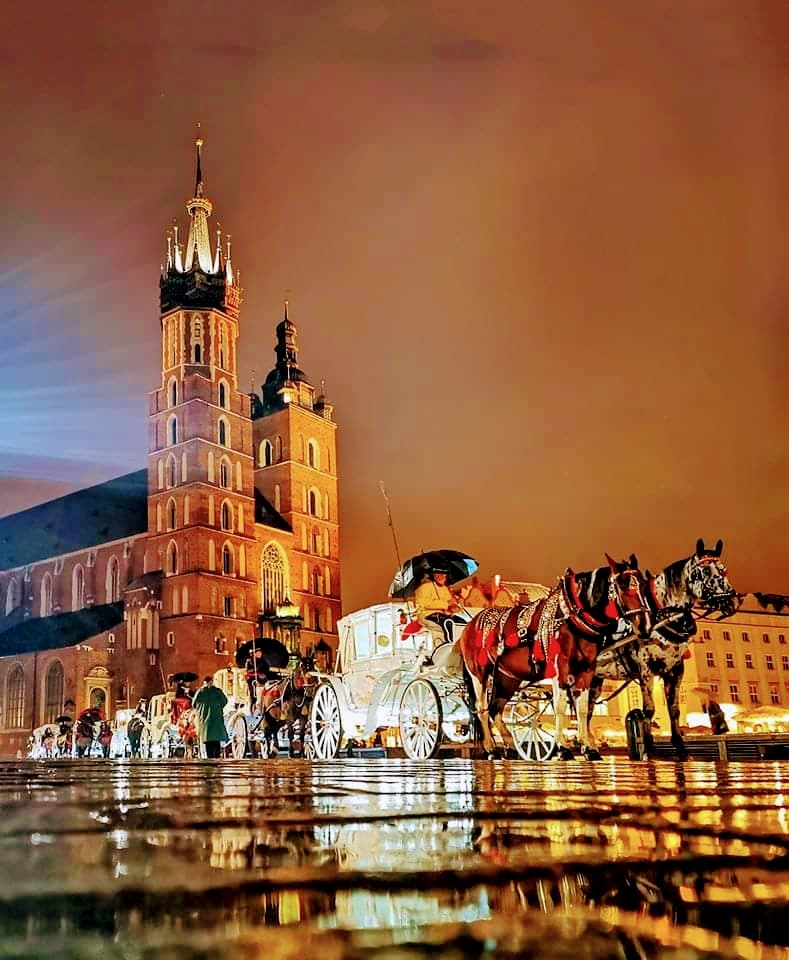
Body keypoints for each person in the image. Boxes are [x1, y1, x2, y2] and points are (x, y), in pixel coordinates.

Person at [414, 566, 465, 646]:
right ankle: (450, 645)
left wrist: (455, 606)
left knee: (462, 623)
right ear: (433, 575)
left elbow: (450, 605)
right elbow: (424, 603)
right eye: (438, 573)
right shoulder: (424, 587)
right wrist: (447, 604)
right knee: (448, 623)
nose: (442, 576)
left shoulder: (446, 589)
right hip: (427, 615)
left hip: (444, 615)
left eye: (444, 573)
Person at [192, 675, 228, 758]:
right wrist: (218, 707)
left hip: (204, 719)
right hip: (216, 718)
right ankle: (217, 758)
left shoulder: (200, 692)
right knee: (216, 741)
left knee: (208, 741)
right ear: (212, 681)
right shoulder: (217, 691)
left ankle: (210, 760)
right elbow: (225, 701)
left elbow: (194, 704)